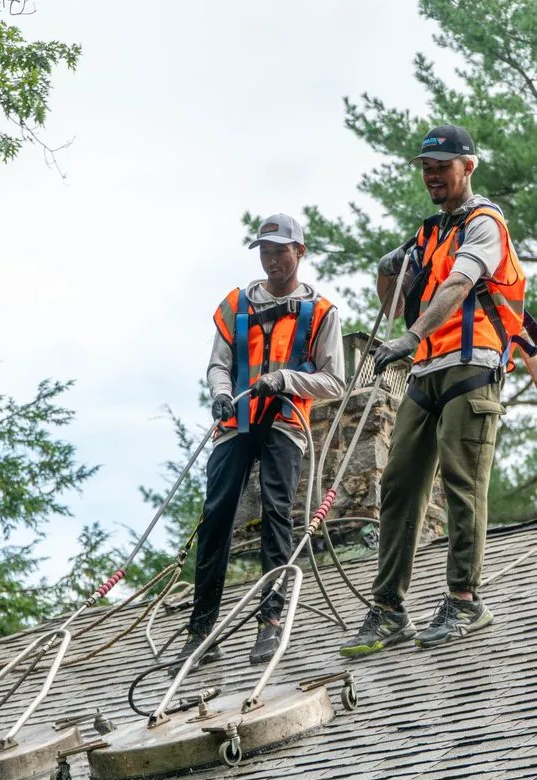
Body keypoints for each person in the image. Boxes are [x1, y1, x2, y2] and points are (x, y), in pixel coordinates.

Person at [340, 124, 526, 658]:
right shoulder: (428, 235)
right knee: (398, 484)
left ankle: (465, 599)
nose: (431, 176)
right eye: (425, 168)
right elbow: (399, 302)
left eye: (440, 167)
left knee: (463, 479)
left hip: (473, 366)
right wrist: (387, 272)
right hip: (425, 373)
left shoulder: (485, 225)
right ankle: (388, 610)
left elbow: (459, 285)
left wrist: (412, 336)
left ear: (468, 166)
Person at [174, 213, 345, 672]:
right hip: (237, 422)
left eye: (279, 252)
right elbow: (217, 363)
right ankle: (201, 631)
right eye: (265, 252)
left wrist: (285, 379)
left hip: (286, 425)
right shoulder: (236, 304)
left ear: (300, 253)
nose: (271, 261)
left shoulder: (322, 313)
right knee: (215, 518)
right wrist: (221, 394)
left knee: (276, 513)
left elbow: (334, 381)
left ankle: (270, 622)